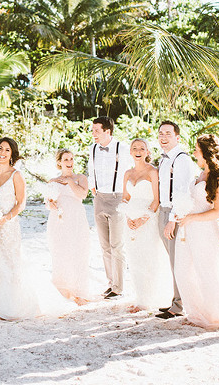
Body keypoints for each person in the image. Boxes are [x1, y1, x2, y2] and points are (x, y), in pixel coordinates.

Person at [175, 134, 219, 329]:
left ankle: (217, 315)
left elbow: (218, 211)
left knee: (206, 272)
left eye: (196, 149)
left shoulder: (218, 178)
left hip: (204, 231)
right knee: (184, 271)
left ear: (205, 152)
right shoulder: (199, 175)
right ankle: (196, 312)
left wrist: (192, 218)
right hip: (187, 229)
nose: (194, 153)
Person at [0, 137, 39, 320]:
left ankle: (12, 306)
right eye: (0, 148)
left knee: (11, 263)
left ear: (12, 154)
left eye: (7, 150)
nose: (3, 152)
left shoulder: (17, 175)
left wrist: (4, 219)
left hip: (8, 227)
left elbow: (21, 203)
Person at [120, 139, 173, 312]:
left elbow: (157, 200)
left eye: (142, 148)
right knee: (134, 258)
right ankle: (140, 297)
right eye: (134, 148)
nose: (138, 151)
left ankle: (151, 298)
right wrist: (128, 216)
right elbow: (125, 198)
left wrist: (144, 218)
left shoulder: (153, 172)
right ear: (130, 151)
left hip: (148, 218)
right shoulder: (127, 173)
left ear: (148, 152)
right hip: (130, 220)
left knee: (149, 257)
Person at [87, 116, 133, 299]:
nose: (93, 134)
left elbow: (130, 172)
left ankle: (119, 287)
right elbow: (91, 169)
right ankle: (110, 282)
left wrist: (127, 197)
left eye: (97, 130)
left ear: (108, 131)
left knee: (117, 245)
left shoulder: (122, 148)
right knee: (105, 245)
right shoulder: (92, 148)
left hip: (117, 198)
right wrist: (93, 186)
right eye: (93, 130)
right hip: (99, 198)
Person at [156, 120, 195, 320]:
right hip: (163, 211)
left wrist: (172, 219)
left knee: (177, 261)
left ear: (177, 137)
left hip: (174, 213)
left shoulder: (181, 159)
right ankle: (176, 300)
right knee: (172, 261)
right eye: (161, 133)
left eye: (168, 134)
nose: (163, 137)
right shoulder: (164, 159)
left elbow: (182, 192)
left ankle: (179, 306)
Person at [45, 149, 90, 305]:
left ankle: (79, 291)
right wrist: (51, 204)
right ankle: (63, 289)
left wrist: (70, 181)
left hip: (76, 218)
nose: (70, 162)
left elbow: (83, 195)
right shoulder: (52, 181)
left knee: (78, 251)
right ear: (59, 162)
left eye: (71, 159)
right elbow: (47, 202)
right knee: (60, 252)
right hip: (58, 220)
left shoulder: (80, 178)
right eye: (66, 160)